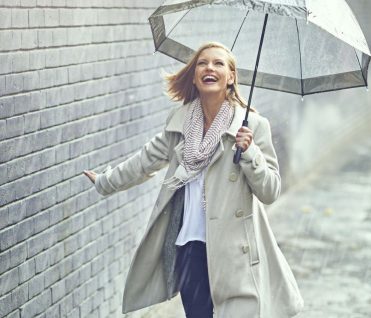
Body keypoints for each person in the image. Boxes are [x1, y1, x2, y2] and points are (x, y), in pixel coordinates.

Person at [83, 42, 304, 318]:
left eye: (218, 63)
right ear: (195, 75)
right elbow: (144, 161)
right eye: (202, 63)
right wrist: (106, 181)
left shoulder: (252, 127)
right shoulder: (180, 124)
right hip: (189, 249)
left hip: (236, 255)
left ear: (231, 77)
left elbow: (271, 191)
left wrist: (250, 153)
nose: (209, 68)